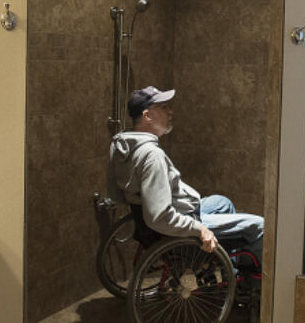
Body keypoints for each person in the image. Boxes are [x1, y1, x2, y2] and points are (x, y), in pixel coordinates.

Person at [107, 86, 263, 258]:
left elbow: (117, 194)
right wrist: (200, 229)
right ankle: (244, 280)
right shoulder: (152, 156)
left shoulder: (122, 145)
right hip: (176, 223)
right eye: (163, 107)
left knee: (222, 202)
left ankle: (221, 262)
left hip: (160, 218)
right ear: (147, 116)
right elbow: (159, 217)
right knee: (260, 226)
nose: (170, 111)